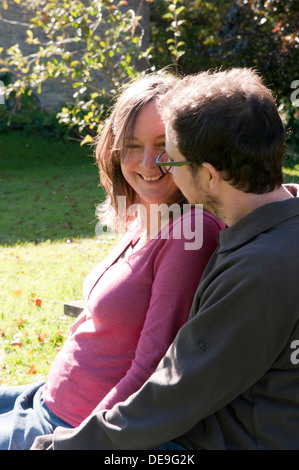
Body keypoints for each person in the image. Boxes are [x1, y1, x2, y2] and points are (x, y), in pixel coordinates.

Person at [32, 67, 299, 450]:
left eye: (172, 158)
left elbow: (173, 394)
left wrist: (66, 446)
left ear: (208, 176)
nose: (156, 167)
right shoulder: (277, 227)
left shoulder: (260, 269)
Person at [0, 72, 224, 450]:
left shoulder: (191, 233)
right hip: (49, 398)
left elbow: (154, 368)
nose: (148, 162)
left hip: (73, 424)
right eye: (133, 145)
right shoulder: (147, 212)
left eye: (164, 145)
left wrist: (78, 440)